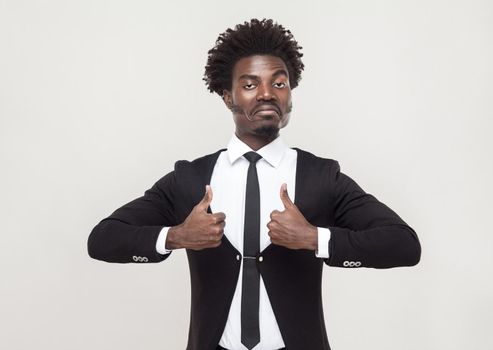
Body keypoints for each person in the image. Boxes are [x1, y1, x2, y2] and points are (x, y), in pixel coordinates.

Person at [87, 18, 421, 350]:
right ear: (227, 97)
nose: (266, 93)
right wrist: (176, 237)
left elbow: (403, 245)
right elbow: (103, 239)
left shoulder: (321, 176)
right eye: (250, 85)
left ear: (290, 95)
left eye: (279, 83)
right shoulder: (190, 179)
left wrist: (313, 238)